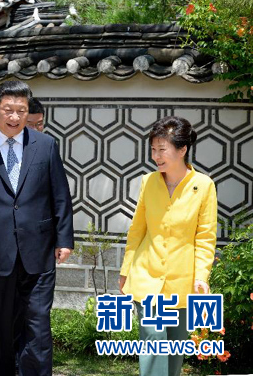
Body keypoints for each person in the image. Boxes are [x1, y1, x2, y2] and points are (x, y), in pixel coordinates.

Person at [0, 80, 74, 376]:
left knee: (37, 325)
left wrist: (64, 239)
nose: (15, 117)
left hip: (39, 250)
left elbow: (60, 194)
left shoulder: (45, 145)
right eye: (8, 109)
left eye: (21, 110)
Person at [119, 116, 217, 376]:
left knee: (174, 349)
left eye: (162, 149)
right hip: (147, 276)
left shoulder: (204, 186)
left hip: (182, 282)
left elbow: (205, 237)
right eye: (153, 149)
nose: (156, 156)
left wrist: (201, 276)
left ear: (182, 150)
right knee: (153, 338)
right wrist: (126, 270)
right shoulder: (148, 182)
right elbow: (138, 229)